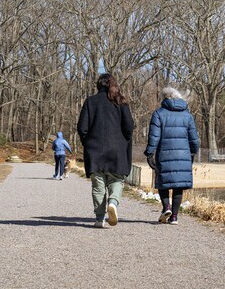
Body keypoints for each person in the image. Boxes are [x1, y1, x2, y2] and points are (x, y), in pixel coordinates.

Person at [77, 73, 135, 228]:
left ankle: (99, 218)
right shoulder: (121, 102)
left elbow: (82, 128)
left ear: (98, 86)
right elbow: (129, 126)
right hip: (117, 150)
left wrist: (88, 143)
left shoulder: (90, 102)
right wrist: (124, 141)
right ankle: (113, 203)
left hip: (95, 150)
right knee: (116, 180)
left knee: (98, 185)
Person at [144, 87, 199, 225]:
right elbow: (194, 139)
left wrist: (150, 153)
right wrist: (193, 152)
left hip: (164, 154)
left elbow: (154, 137)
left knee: (163, 183)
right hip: (183, 155)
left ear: (165, 98)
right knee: (178, 186)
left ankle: (166, 207)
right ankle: (174, 216)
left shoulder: (159, 114)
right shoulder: (188, 115)